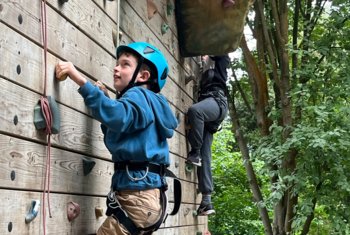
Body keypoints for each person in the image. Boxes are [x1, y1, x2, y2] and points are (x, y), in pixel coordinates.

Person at [55, 42, 178, 235]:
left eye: (125, 64)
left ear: (143, 76)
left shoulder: (138, 94)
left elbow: (118, 117)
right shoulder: (150, 104)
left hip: (137, 198)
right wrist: (105, 99)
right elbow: (120, 130)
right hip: (147, 199)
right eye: (117, 63)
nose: (116, 68)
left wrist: (79, 79)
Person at [186, 54, 230, 216]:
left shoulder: (220, 63)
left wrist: (208, 50)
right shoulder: (204, 67)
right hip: (209, 110)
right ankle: (206, 201)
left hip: (216, 103)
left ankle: (195, 152)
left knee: (195, 111)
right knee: (206, 155)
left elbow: (222, 53)